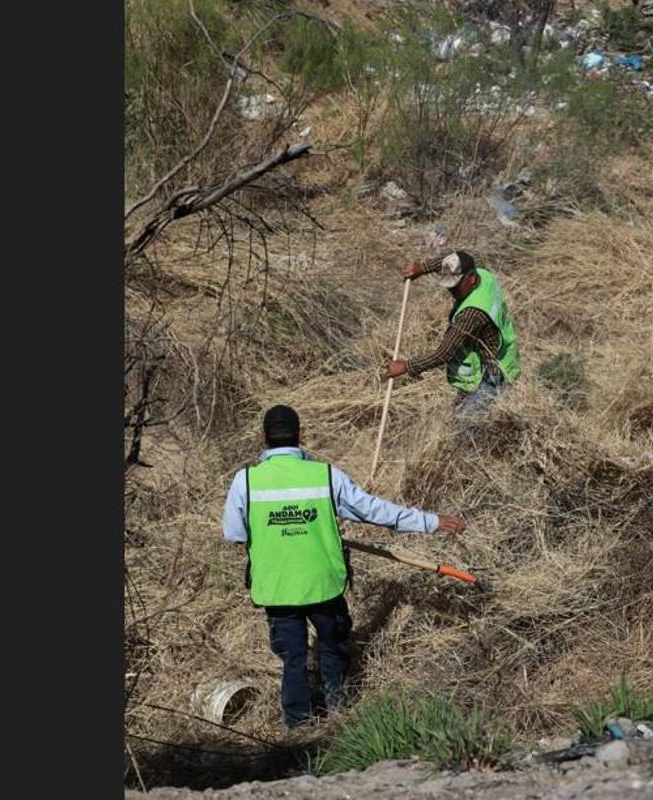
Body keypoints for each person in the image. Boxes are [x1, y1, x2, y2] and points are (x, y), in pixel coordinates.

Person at [221, 404, 467, 728]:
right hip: (324, 581)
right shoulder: (325, 475)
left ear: (262, 437)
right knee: (333, 646)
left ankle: (297, 724)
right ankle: (339, 711)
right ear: (301, 435)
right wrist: (430, 521)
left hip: (277, 587)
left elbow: (234, 534)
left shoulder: (246, 482)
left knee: (293, 658)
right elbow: (374, 510)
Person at [382, 250, 521, 420]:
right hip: (505, 351)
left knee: (468, 425)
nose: (452, 291)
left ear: (470, 278)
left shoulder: (472, 313)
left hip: (490, 373)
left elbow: (444, 353)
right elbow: (452, 260)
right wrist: (422, 268)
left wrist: (406, 366)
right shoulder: (484, 276)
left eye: (455, 285)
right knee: (464, 415)